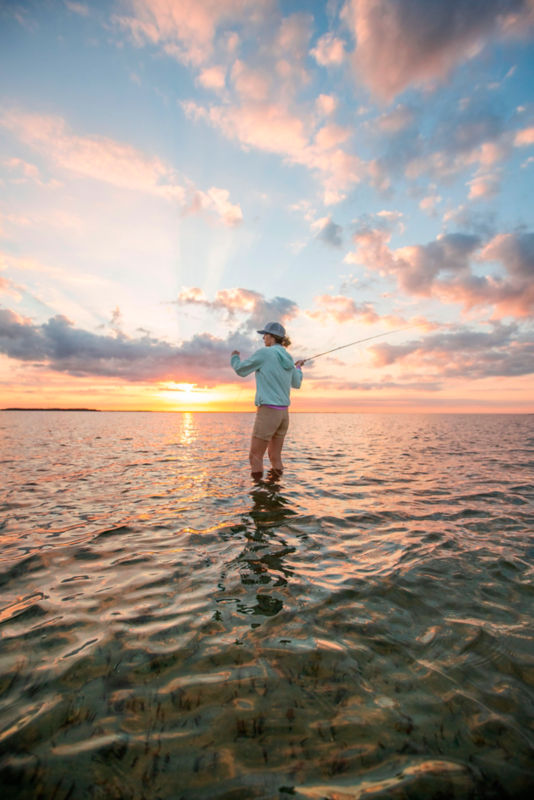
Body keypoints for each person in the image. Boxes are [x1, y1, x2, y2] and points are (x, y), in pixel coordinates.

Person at [231, 322, 303, 480]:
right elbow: (296, 383)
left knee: (255, 457)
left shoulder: (265, 353)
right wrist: (297, 368)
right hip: (284, 414)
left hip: (269, 412)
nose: (263, 338)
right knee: (275, 457)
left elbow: (241, 370)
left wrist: (234, 357)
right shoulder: (289, 358)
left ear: (271, 337)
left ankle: (259, 499)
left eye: (265, 335)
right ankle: (275, 493)